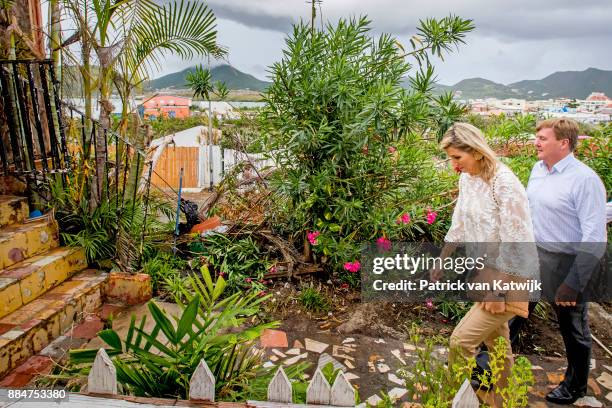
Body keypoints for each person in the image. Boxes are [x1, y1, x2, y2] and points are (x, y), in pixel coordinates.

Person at [432, 122, 538, 406]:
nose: (453, 164)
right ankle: (504, 401)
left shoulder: (505, 183)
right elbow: (460, 222)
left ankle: (453, 400)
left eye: (457, 157)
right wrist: (442, 259)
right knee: (498, 344)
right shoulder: (468, 178)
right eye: (450, 157)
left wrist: (497, 290)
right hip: (483, 273)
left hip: (508, 278)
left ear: (477, 151)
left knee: (461, 341)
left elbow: (518, 240)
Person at [523, 118, 607, 405]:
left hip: (568, 262)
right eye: (537, 137)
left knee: (573, 328)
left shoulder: (585, 180)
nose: (536, 142)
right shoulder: (537, 170)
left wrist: (573, 282)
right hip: (536, 256)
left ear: (564, 143)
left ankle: (576, 386)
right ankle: (490, 367)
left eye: (543, 138)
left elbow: (595, 237)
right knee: (514, 311)